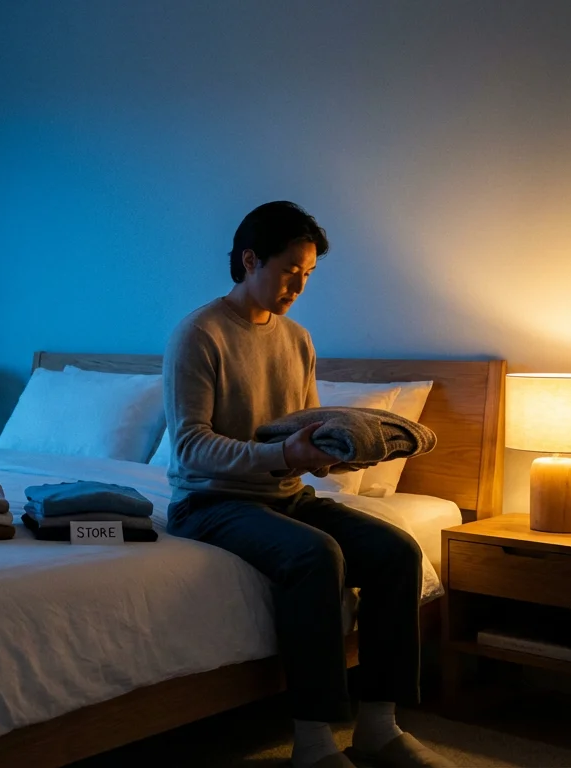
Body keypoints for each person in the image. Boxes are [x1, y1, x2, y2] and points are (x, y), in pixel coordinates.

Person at [162, 202, 452, 768]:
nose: (299, 286)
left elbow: (304, 425)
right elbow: (190, 447)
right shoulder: (199, 334)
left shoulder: (297, 339)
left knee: (398, 551)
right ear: (251, 260)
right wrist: (283, 454)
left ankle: (379, 727)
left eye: (309, 274)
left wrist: (332, 452)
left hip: (287, 495)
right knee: (315, 556)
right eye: (290, 270)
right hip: (209, 501)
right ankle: (314, 743)